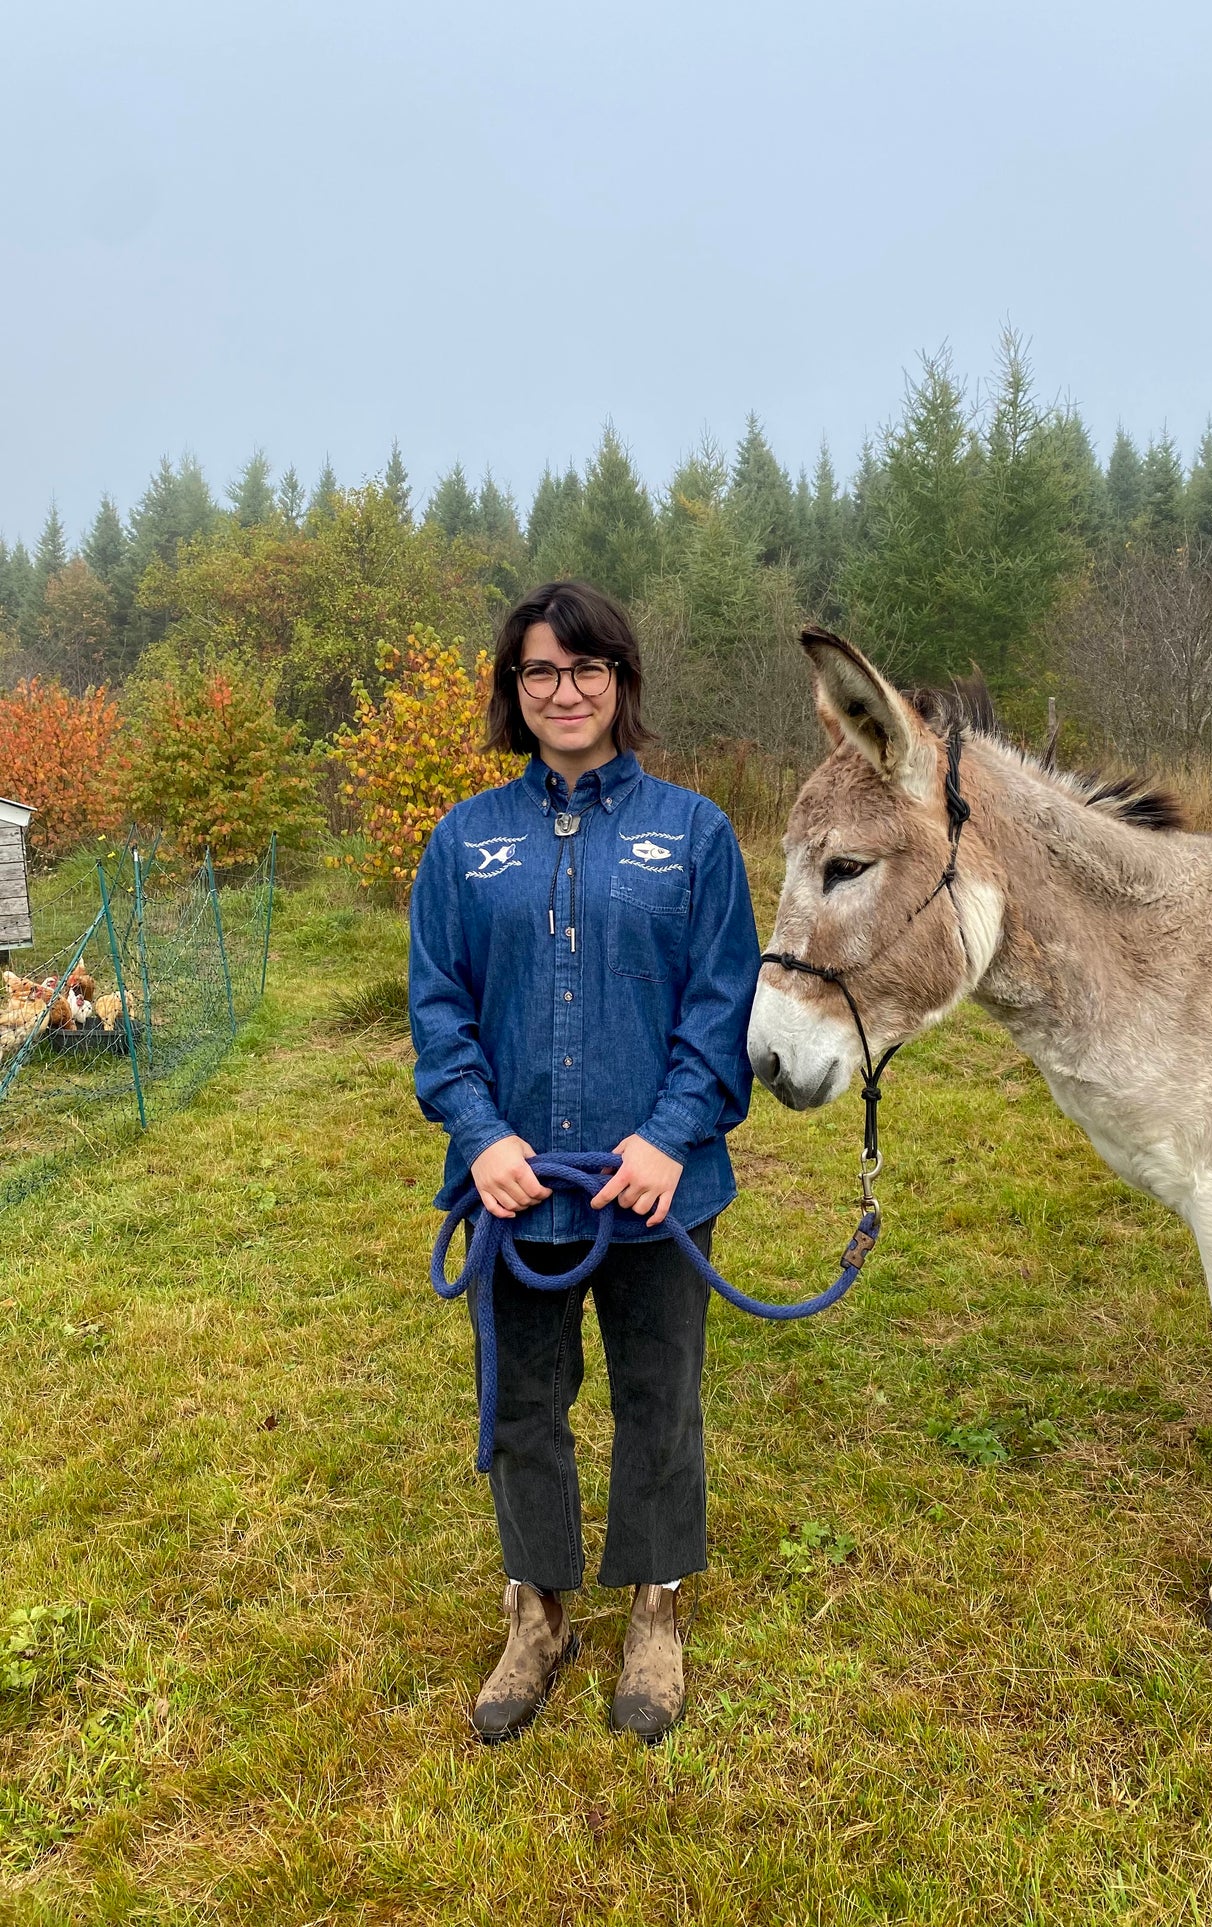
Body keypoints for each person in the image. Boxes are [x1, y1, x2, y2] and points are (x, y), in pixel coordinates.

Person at [408, 579, 759, 1743]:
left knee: (660, 1400)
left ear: (622, 681)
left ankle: (655, 1608)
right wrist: (481, 1134)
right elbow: (438, 1009)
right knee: (522, 1405)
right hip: (514, 1191)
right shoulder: (462, 844)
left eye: (586, 669)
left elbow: (720, 1009)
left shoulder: (696, 835)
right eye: (540, 672)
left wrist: (668, 1135)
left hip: (660, 1190)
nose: (565, 691)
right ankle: (538, 1609)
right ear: (515, 689)